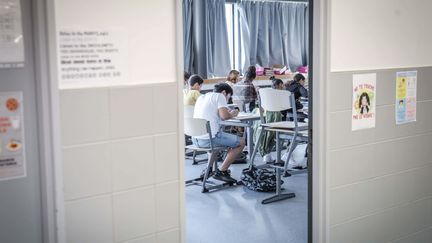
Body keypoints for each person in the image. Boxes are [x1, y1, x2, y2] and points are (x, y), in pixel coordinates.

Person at [193, 83, 246, 183]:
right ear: (224, 92)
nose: (227, 100)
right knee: (241, 142)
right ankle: (222, 171)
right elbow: (224, 116)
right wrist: (233, 113)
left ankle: (208, 169)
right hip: (209, 139)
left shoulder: (202, 96)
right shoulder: (220, 96)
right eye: (228, 97)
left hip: (196, 139)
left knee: (218, 144)